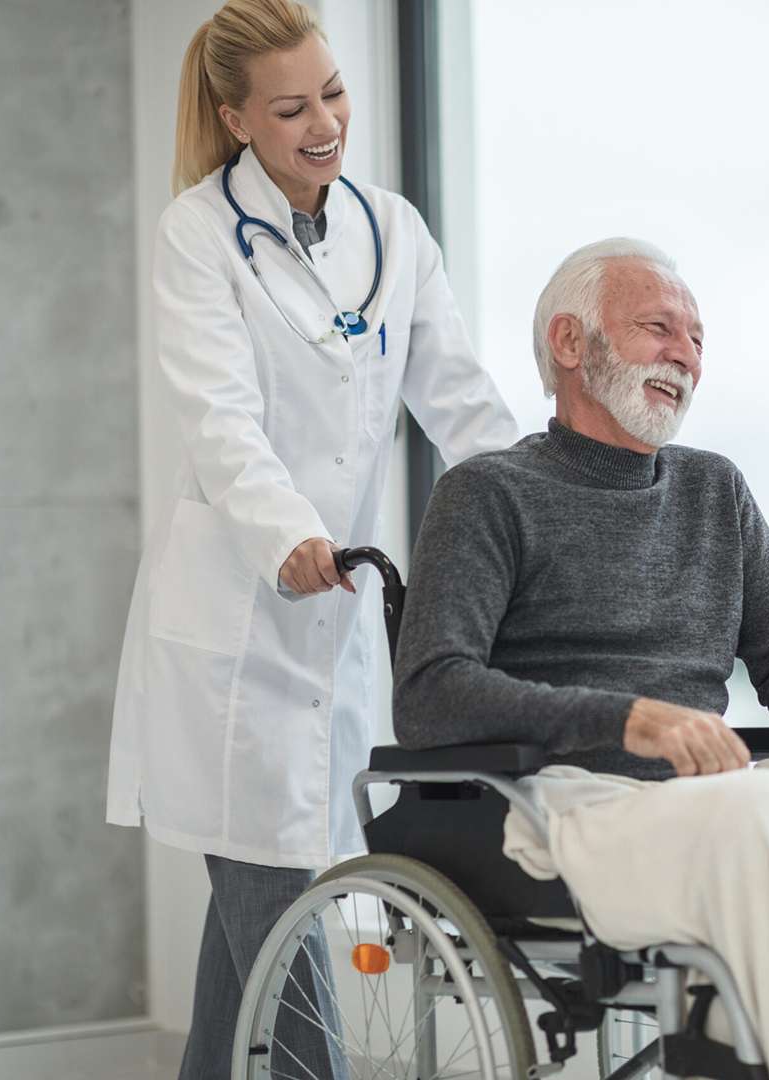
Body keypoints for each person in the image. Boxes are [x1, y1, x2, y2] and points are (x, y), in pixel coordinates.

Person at [105, 1, 518, 1075]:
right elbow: (221, 416)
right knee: (291, 950)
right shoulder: (198, 233)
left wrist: (538, 512)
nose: (325, 121)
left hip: (334, 636)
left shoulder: (395, 229)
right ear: (237, 119)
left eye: (332, 91)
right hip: (237, 638)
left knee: (248, 955)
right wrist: (287, 532)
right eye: (291, 108)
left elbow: (463, 406)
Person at [392, 237, 769, 774]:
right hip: (557, 802)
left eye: (698, 342)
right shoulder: (486, 493)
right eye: (659, 329)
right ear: (569, 342)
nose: (686, 357)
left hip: (702, 802)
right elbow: (430, 695)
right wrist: (625, 720)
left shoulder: (714, 487)